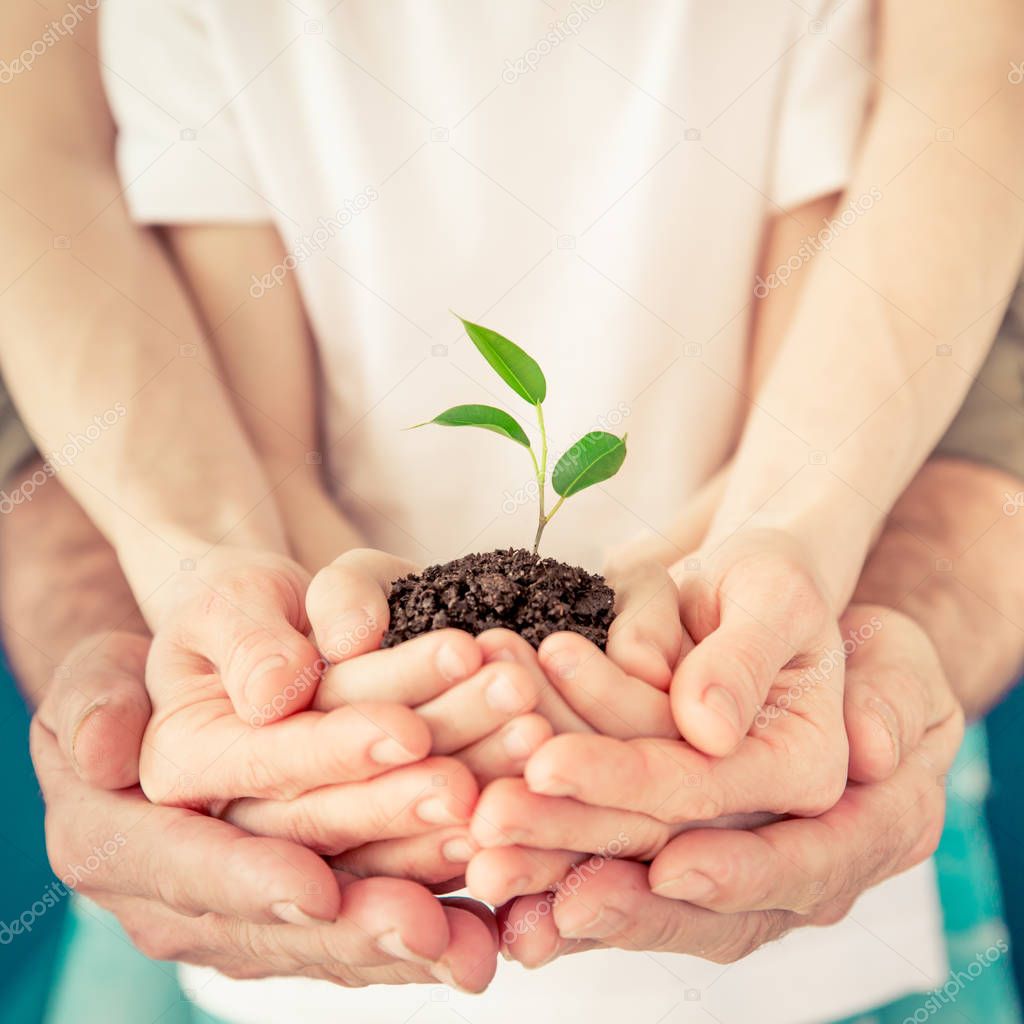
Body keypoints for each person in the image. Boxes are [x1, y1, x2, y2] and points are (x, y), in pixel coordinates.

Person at [1, 3, 1023, 1024]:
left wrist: (779, 541)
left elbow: (960, 98)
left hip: (810, 880)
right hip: (267, 876)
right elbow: (42, 147)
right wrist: (240, 588)